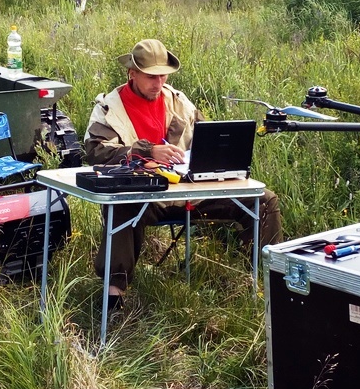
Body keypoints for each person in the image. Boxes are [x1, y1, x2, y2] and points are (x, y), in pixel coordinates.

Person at [83, 38, 283, 306]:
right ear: (132, 74)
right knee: (120, 207)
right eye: (151, 76)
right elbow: (96, 152)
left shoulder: (179, 102)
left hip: (191, 193)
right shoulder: (109, 108)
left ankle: (274, 286)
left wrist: (219, 158)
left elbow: (207, 140)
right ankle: (113, 297)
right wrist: (147, 151)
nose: (159, 82)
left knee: (264, 200)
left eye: (163, 75)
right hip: (146, 197)